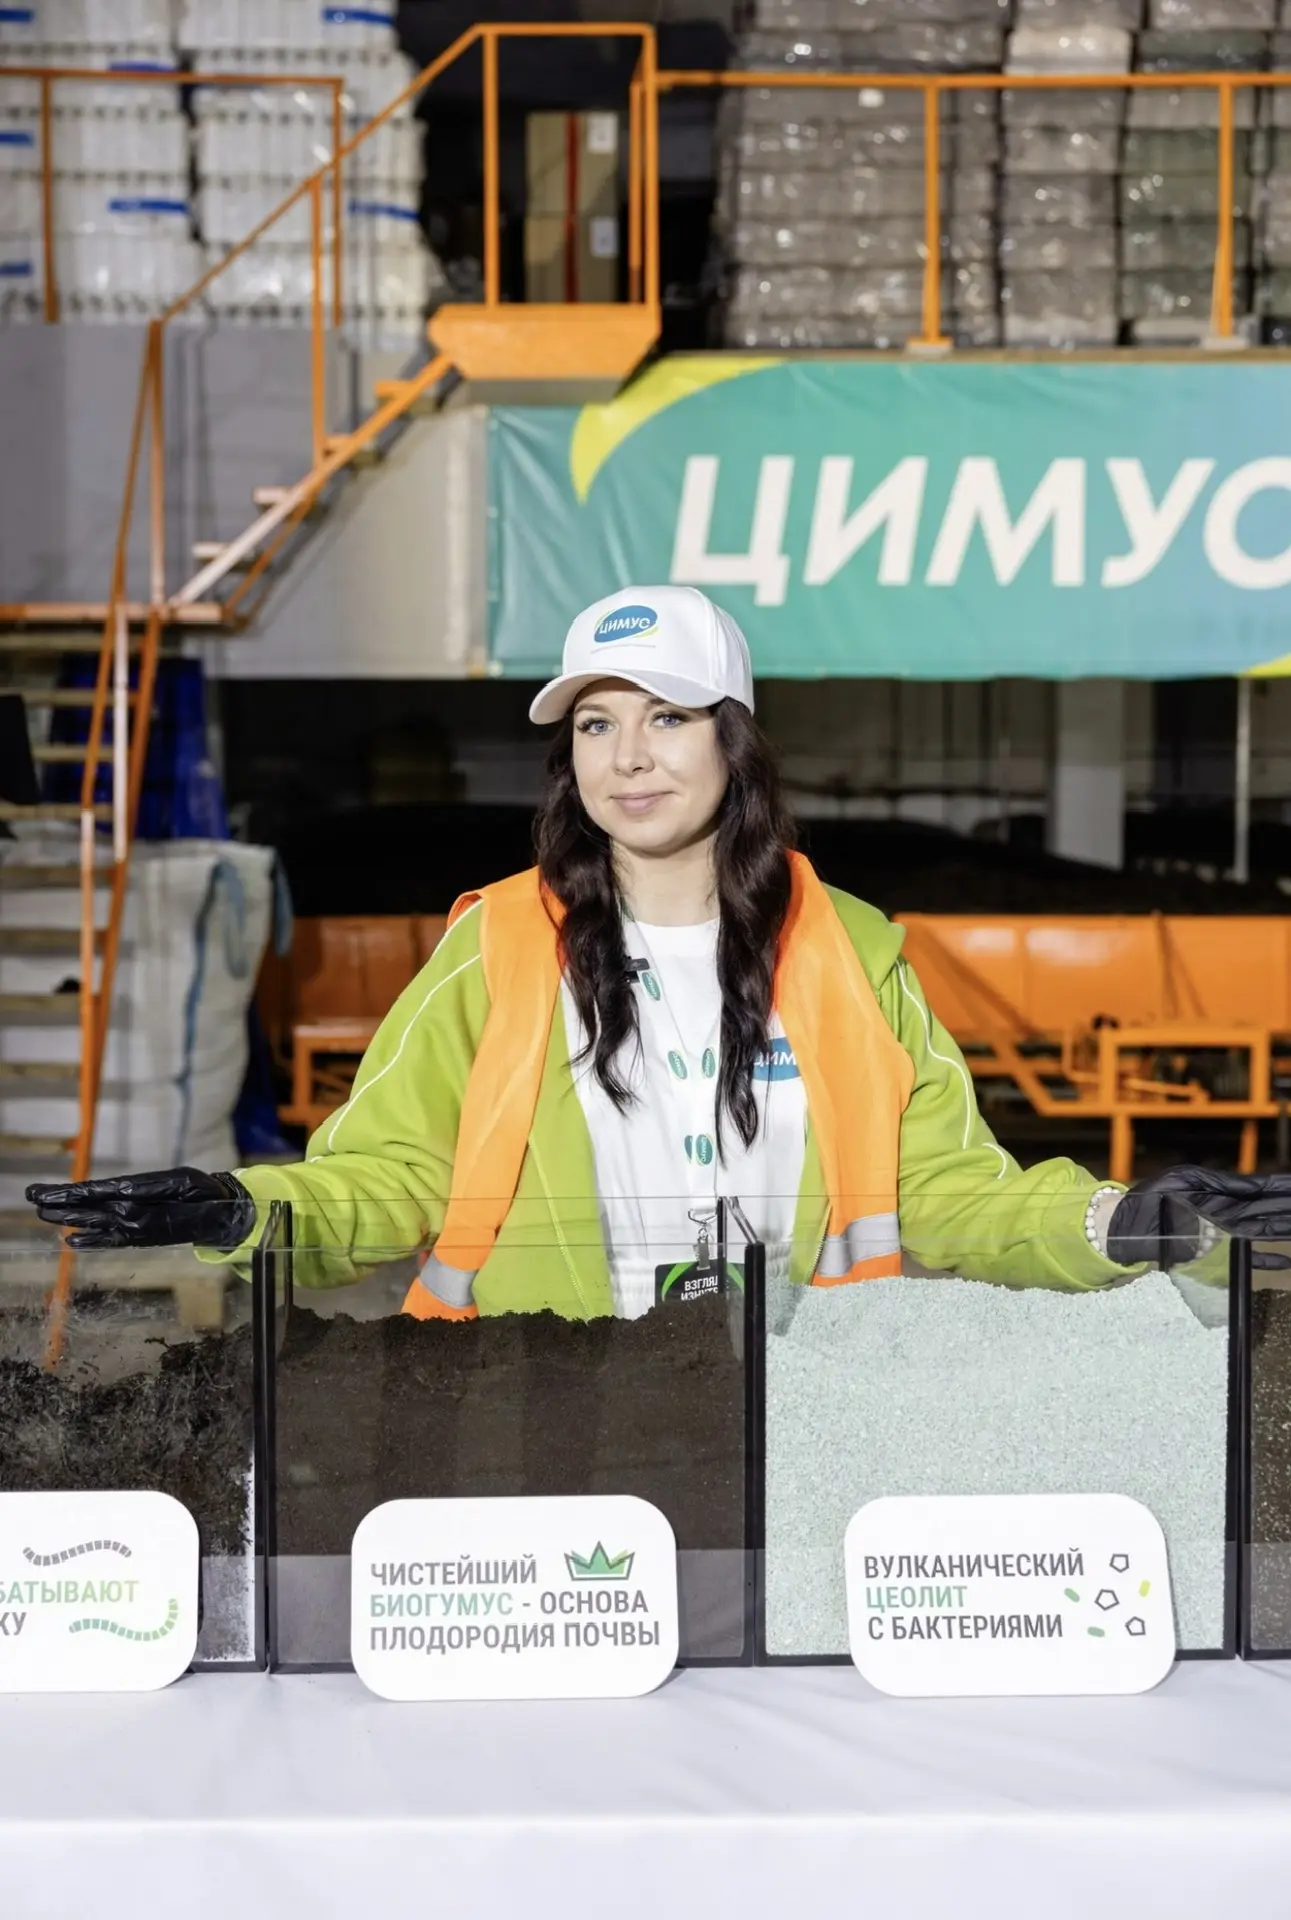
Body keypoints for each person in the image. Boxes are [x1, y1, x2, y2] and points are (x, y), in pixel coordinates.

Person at [27, 585, 1291, 1318]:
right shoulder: (496, 947)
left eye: (666, 718)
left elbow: (950, 1193)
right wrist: (243, 1207)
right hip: (537, 1401)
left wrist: (1127, 1218)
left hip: (805, 1405)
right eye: (594, 725)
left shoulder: (849, 953)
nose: (626, 758)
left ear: (732, 744)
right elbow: (390, 1180)